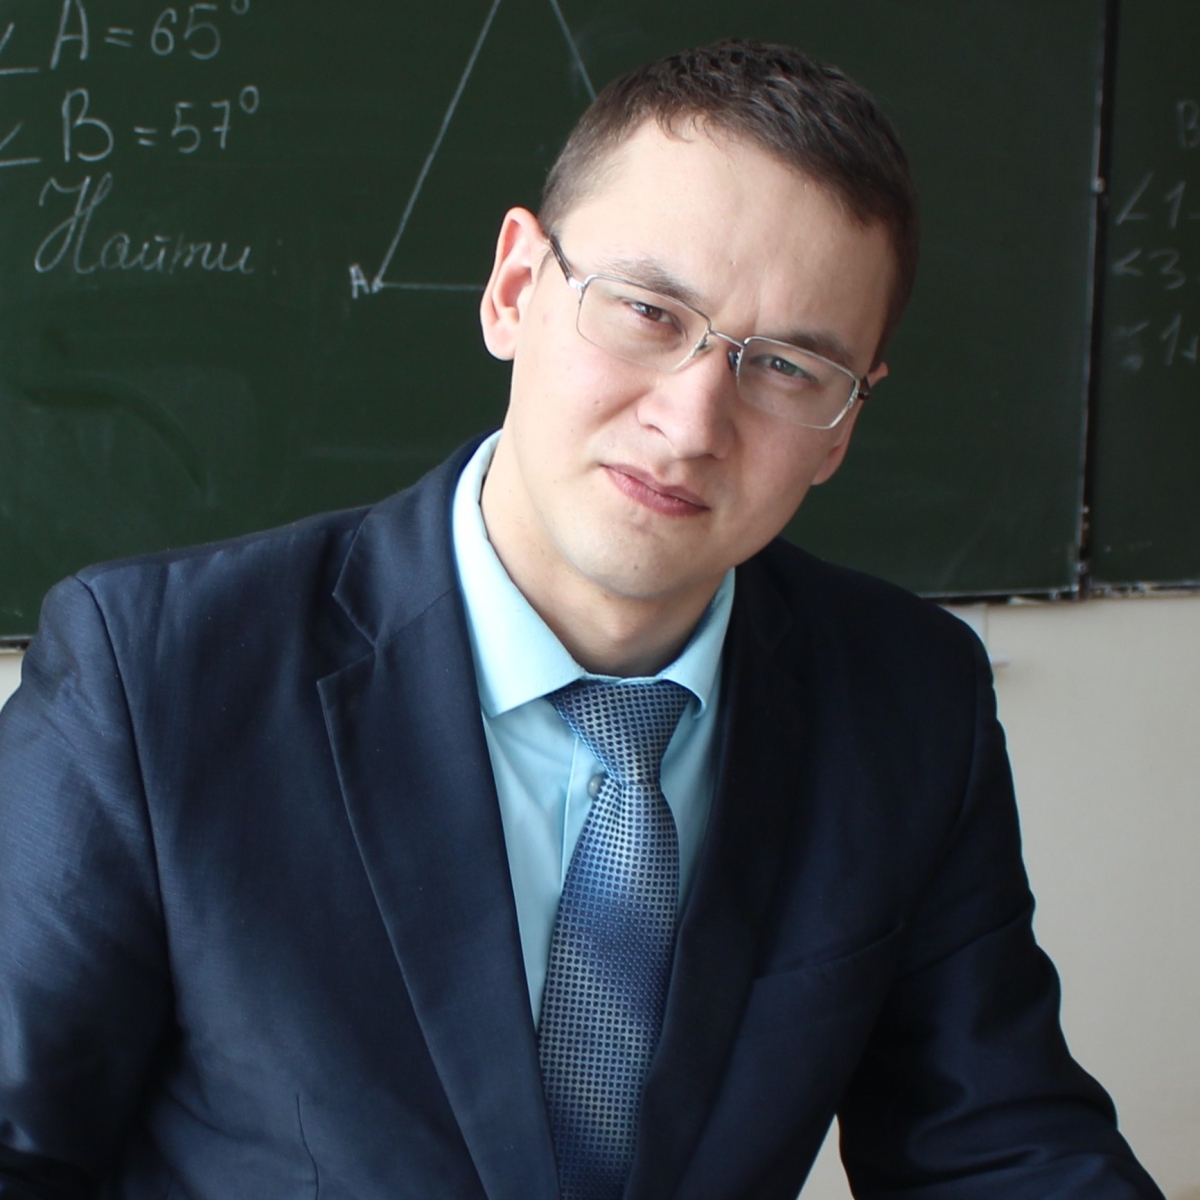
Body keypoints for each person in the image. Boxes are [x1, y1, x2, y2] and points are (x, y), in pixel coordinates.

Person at [0, 40, 1163, 1200]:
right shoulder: (152, 677)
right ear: (514, 289)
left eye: (787, 369)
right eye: (649, 311)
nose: (692, 423)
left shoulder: (909, 703)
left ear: (846, 423)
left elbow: (1002, 1150)